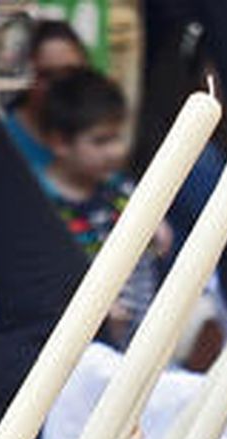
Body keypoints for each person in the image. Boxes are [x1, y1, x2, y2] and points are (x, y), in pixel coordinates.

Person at [39, 67, 170, 346]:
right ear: (59, 142)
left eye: (117, 137)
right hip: (83, 347)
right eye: (100, 141)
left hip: (142, 332)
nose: (115, 151)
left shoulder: (120, 188)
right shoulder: (43, 207)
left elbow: (159, 243)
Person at [4, 19, 90, 174]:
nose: (60, 84)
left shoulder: (100, 130)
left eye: (70, 72)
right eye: (47, 75)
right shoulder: (3, 138)